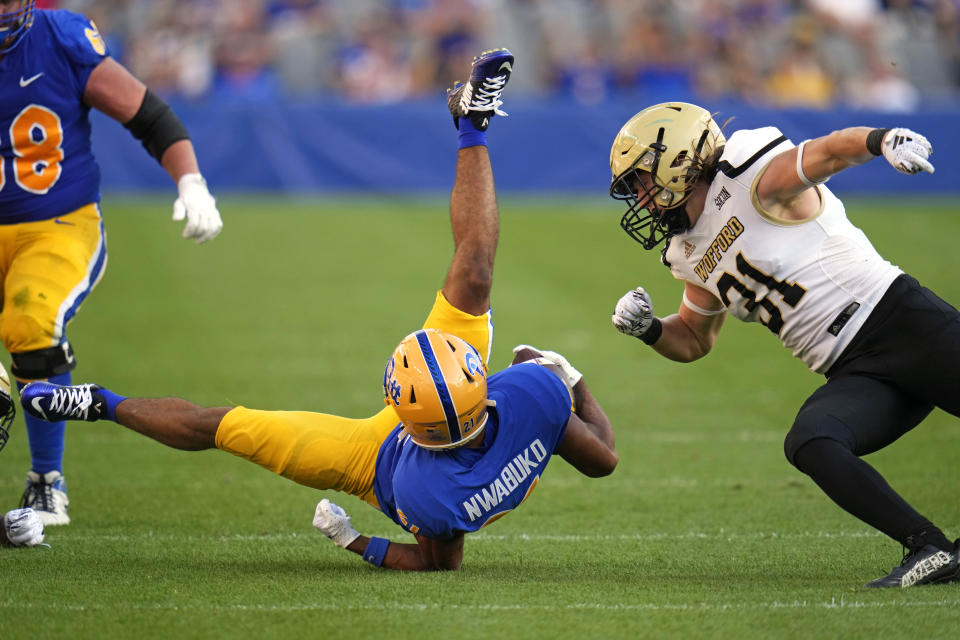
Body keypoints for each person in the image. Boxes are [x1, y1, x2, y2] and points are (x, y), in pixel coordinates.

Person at [19, 49, 619, 570]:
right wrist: (571, 379)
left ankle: (98, 402)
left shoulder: (421, 484)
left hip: (367, 459)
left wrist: (357, 539)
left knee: (225, 427)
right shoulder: (529, 399)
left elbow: (437, 563)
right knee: (477, 268)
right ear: (482, 382)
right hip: (453, 416)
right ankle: (472, 123)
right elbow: (604, 459)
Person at [606, 101, 959, 589]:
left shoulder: (750, 178)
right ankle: (930, 547)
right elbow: (692, 338)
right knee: (812, 442)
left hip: (903, 323)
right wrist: (649, 329)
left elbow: (829, 152)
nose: (640, 198)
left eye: (642, 182)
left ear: (680, 160)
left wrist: (882, 141)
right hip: (857, 369)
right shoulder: (686, 250)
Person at [0, 1, 223, 525]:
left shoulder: (58, 39)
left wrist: (191, 182)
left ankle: (46, 480)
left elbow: (146, 113)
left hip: (56, 221)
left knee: (31, 320)